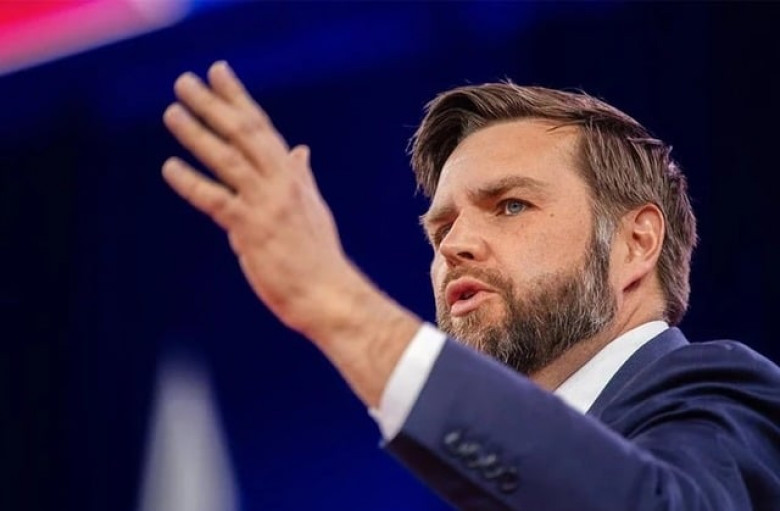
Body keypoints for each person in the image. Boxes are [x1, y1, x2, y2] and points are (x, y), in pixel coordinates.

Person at [160, 61, 780, 510]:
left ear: (636, 242)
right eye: (441, 229)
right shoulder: (496, 480)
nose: (454, 246)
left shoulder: (728, 396)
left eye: (510, 205)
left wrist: (336, 303)